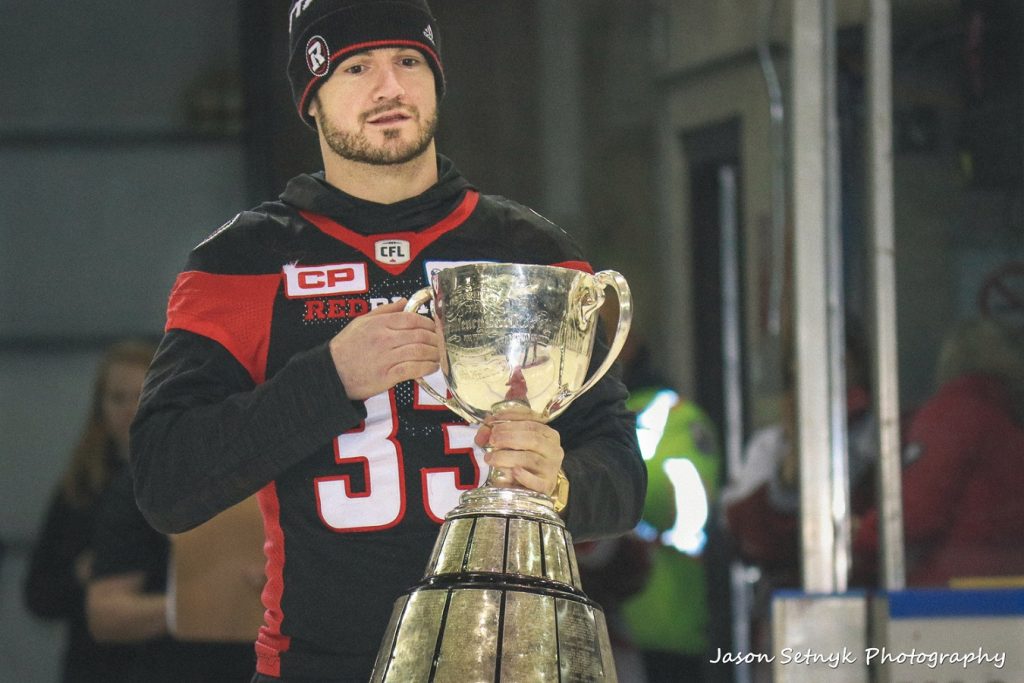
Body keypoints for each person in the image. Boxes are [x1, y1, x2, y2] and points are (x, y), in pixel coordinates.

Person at [129, 2, 647, 681]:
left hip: (510, 665)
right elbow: (166, 480)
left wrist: (560, 479)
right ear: (310, 98)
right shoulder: (243, 262)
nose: (389, 88)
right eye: (355, 66)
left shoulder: (530, 252)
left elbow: (623, 477)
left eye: (408, 61)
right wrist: (330, 378)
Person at [853, 314, 1024, 585]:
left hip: (953, 598)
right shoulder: (1004, 420)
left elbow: (915, 513)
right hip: (1005, 593)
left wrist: (859, 535)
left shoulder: (953, 414)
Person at [23, 339, 157, 682]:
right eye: (117, 398)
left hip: (167, 661)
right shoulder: (79, 490)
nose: (130, 408)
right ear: (100, 407)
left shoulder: (192, 485)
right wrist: (79, 577)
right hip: (95, 666)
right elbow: (38, 595)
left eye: (142, 394)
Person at [86, 466, 256, 682]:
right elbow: (105, 614)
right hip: (179, 667)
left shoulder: (298, 468)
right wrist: (202, 605)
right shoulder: (152, 478)